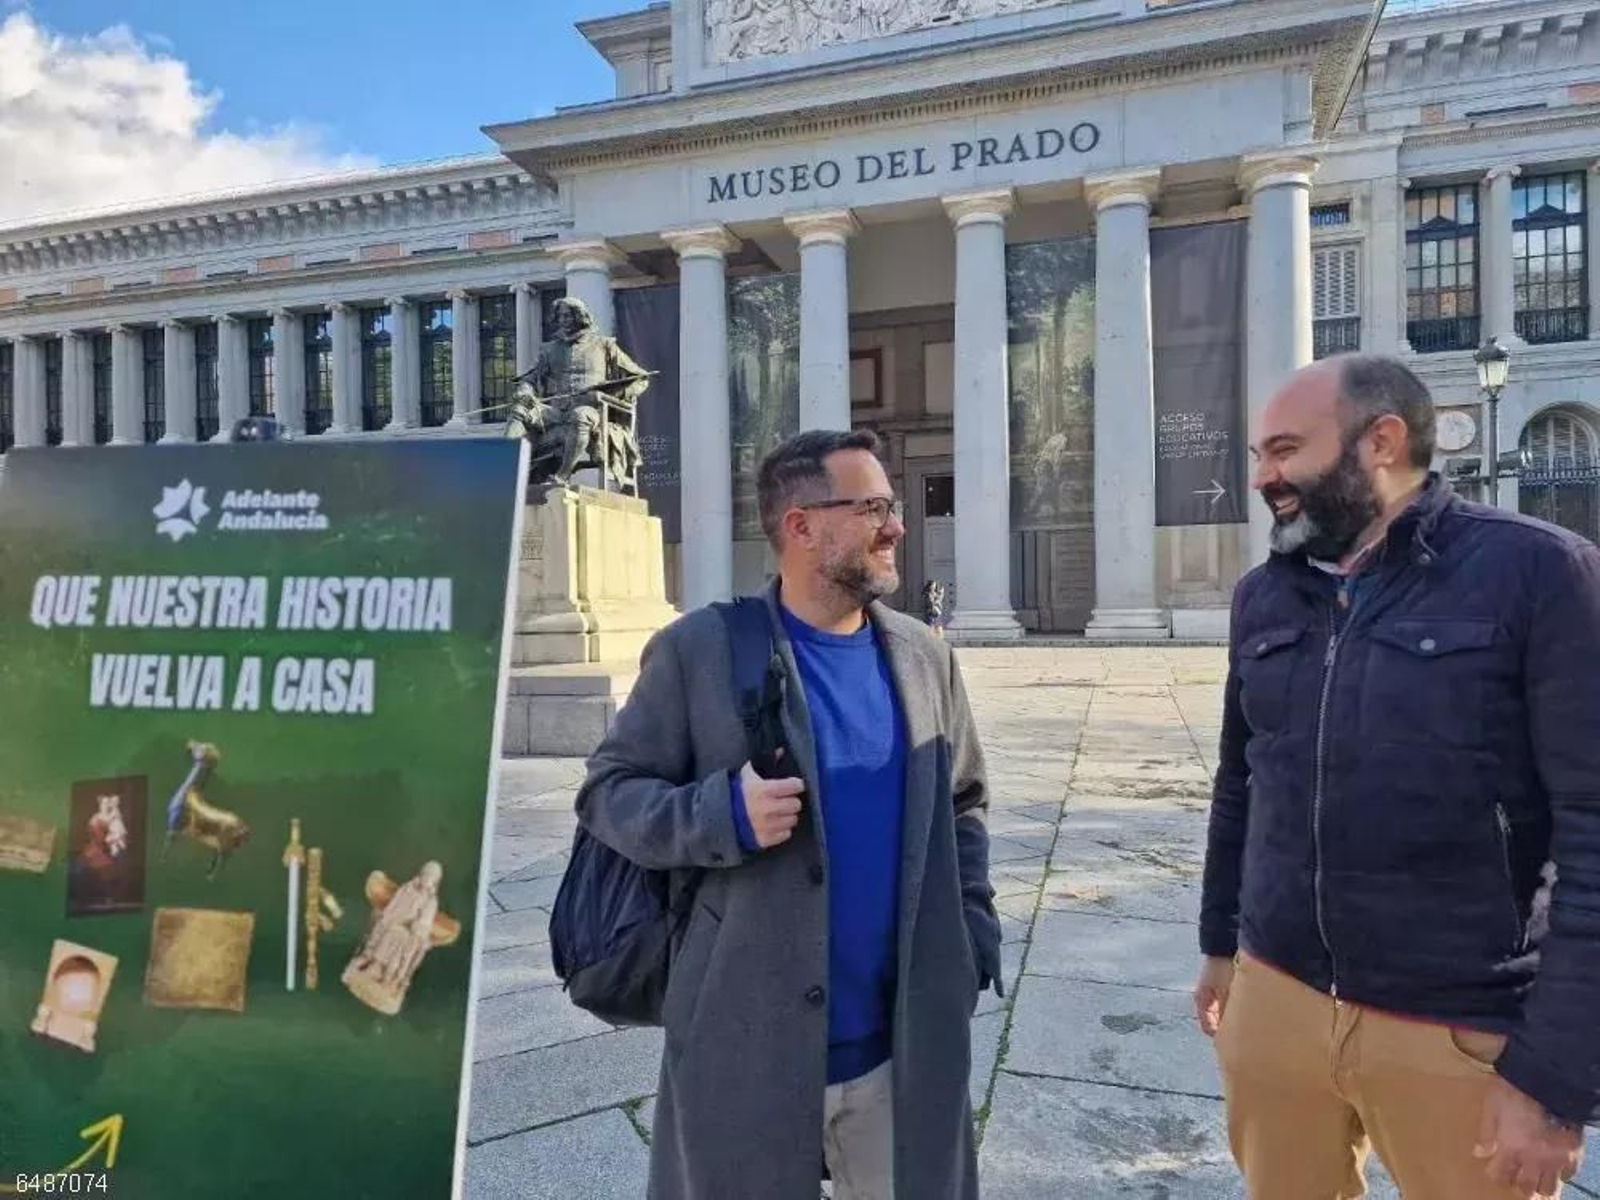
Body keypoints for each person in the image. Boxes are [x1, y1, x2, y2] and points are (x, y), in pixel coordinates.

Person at [1195, 354, 1598, 1199]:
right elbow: (1241, 784)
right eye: (1258, 456)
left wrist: (1558, 1079)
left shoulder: (1539, 574)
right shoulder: (1263, 596)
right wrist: (1219, 946)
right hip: (1277, 1000)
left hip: (1458, 1024)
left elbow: (1592, 828)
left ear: (1380, 442)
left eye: (1283, 450)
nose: (1263, 477)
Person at [575, 428, 1002, 1200]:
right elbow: (608, 793)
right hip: (743, 1048)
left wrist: (972, 937)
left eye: (893, 506)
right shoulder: (698, 652)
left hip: (900, 1056)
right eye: (873, 507)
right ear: (800, 526)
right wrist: (721, 816)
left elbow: (963, 801)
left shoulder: (923, 656)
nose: (896, 525)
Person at [507, 296, 650, 490]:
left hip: (594, 410)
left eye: (568, 316)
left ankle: (562, 476)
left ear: (579, 317)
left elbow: (641, 378)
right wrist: (525, 391)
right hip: (556, 412)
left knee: (580, 415)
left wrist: (613, 397)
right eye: (560, 317)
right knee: (521, 408)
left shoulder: (604, 345)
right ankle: (506, 471)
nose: (563, 320)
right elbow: (529, 378)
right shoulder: (549, 350)